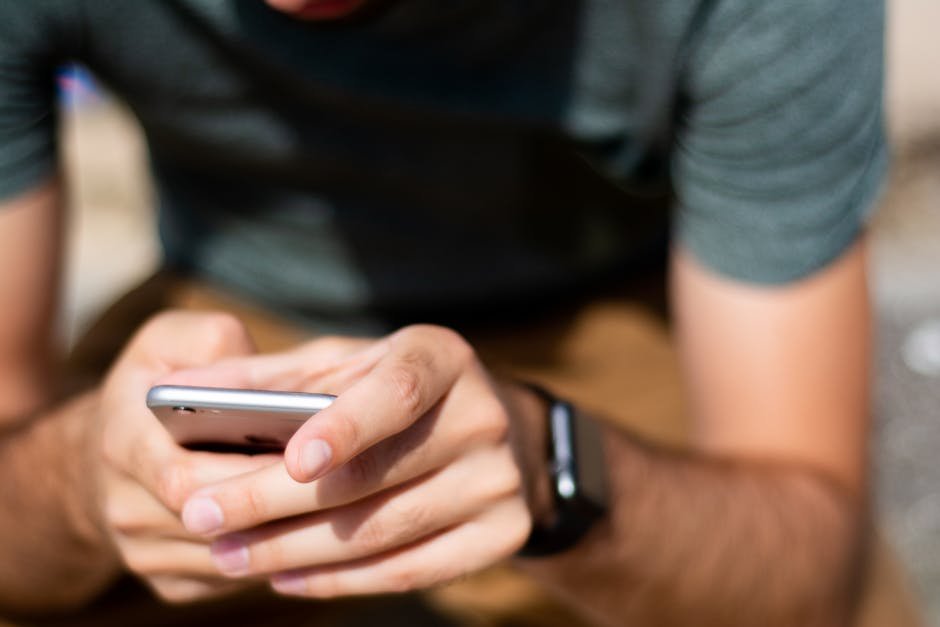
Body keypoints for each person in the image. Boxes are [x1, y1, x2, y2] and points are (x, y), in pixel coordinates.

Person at [0, 0, 907, 625]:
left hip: (626, 327)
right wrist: (80, 480)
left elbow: (805, 570)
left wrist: (545, 463)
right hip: (225, 323)